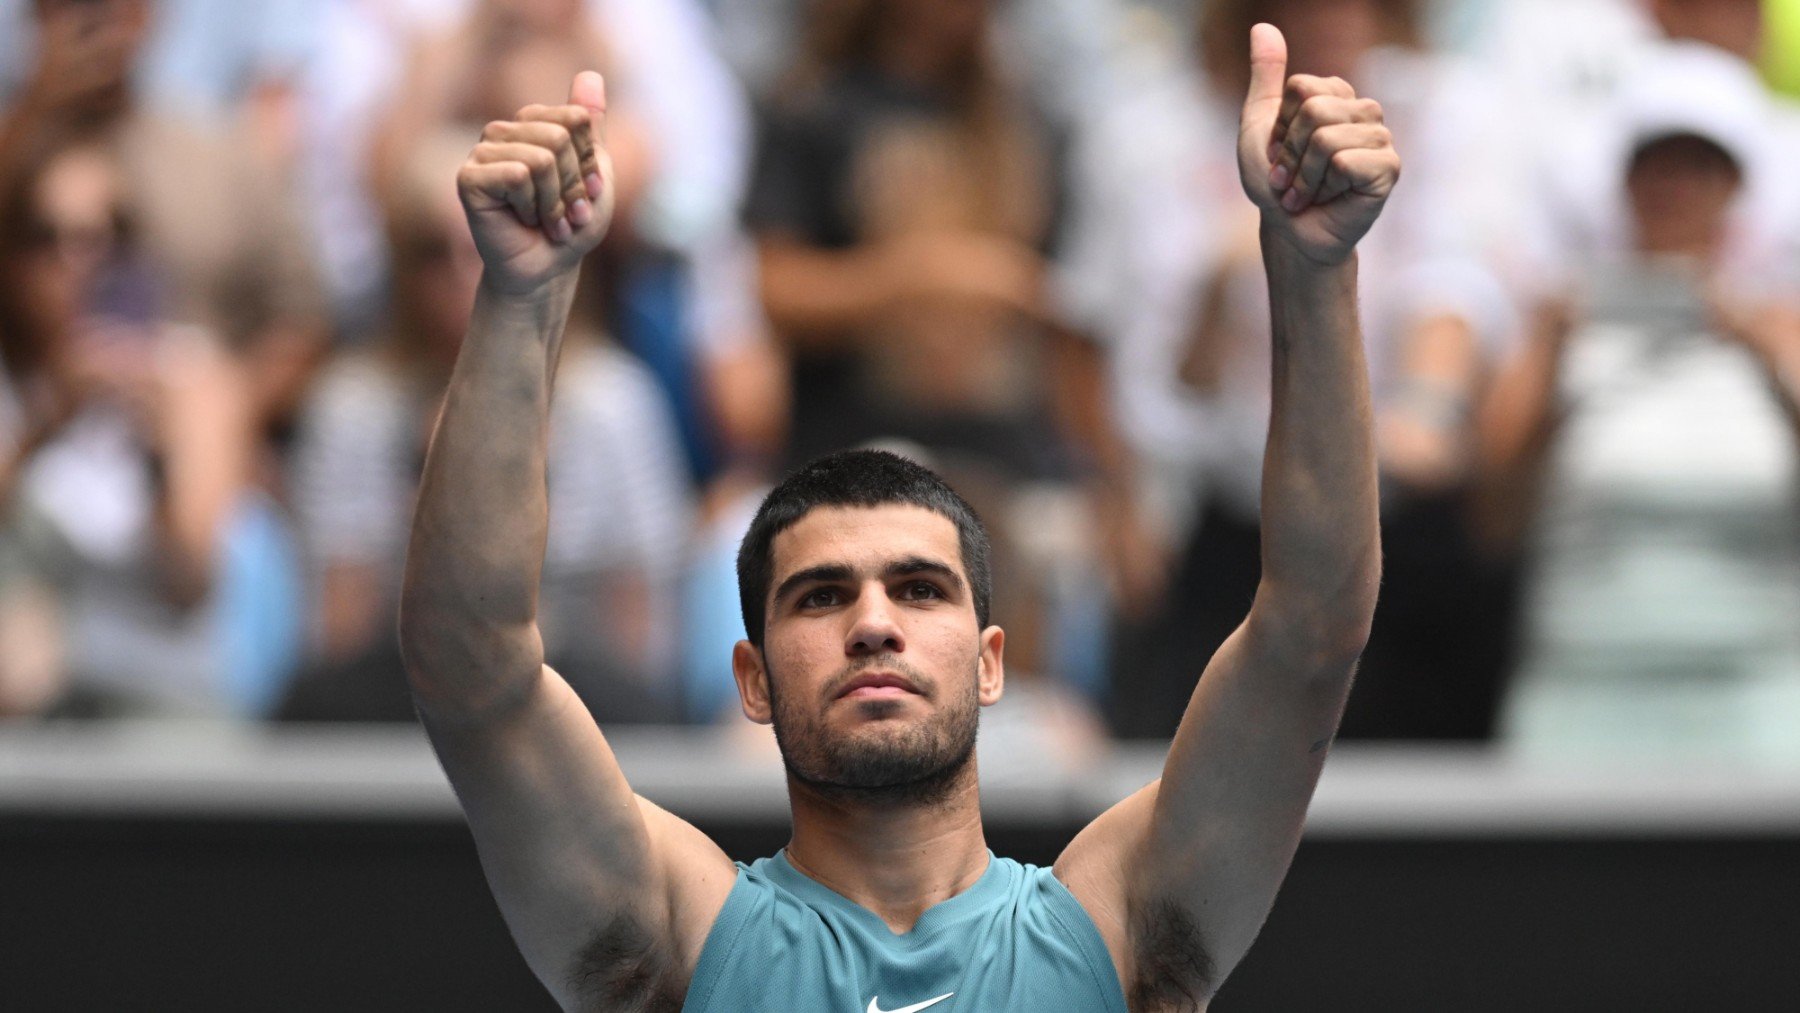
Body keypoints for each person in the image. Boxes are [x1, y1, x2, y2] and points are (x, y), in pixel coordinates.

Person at [400, 23, 1396, 1011]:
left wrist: (1315, 272)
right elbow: (471, 660)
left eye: (919, 588)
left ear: (992, 657)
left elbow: (1312, 627)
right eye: (821, 594)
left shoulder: (1119, 923)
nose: (873, 621)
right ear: (751, 677)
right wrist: (523, 295)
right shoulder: (680, 936)